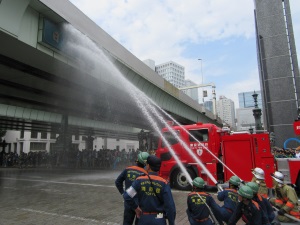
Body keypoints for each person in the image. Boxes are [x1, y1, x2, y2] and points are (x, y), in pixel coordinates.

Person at [123, 155, 176, 225]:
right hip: (159, 219)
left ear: (148, 166)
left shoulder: (139, 180)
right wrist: (171, 223)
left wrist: (136, 208)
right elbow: (171, 208)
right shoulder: (164, 183)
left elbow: (127, 196)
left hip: (143, 218)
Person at [115, 151, 149, 225]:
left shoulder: (128, 169)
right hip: (140, 205)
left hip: (128, 202)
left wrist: (123, 193)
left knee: (127, 223)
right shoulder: (145, 174)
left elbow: (117, 182)